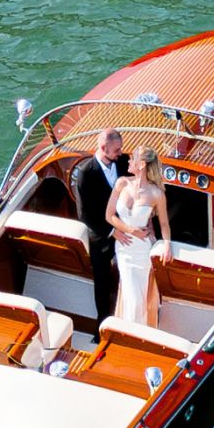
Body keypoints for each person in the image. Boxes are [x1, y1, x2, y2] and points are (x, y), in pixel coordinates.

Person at [108, 147, 171, 327]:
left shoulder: (157, 194)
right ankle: (129, 333)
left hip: (142, 252)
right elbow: (109, 215)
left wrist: (167, 245)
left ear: (142, 164)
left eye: (132, 158)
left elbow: (164, 223)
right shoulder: (121, 183)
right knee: (132, 297)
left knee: (138, 299)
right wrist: (130, 230)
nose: (128, 161)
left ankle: (136, 334)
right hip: (124, 249)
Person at [73, 130, 127, 327]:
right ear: (103, 148)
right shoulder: (85, 173)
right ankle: (102, 324)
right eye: (117, 149)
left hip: (126, 229)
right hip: (101, 236)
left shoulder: (123, 162)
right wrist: (112, 231)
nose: (120, 153)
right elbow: (84, 214)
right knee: (102, 281)